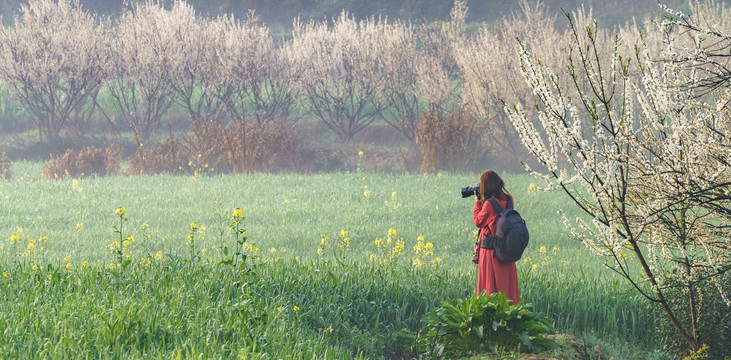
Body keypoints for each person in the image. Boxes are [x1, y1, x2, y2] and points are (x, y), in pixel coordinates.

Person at [472, 170, 520, 303]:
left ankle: (490, 312)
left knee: (489, 286)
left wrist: (477, 203)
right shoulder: (509, 198)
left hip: (491, 251)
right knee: (507, 285)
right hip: (506, 248)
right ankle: (510, 311)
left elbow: (478, 221)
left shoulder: (489, 204)